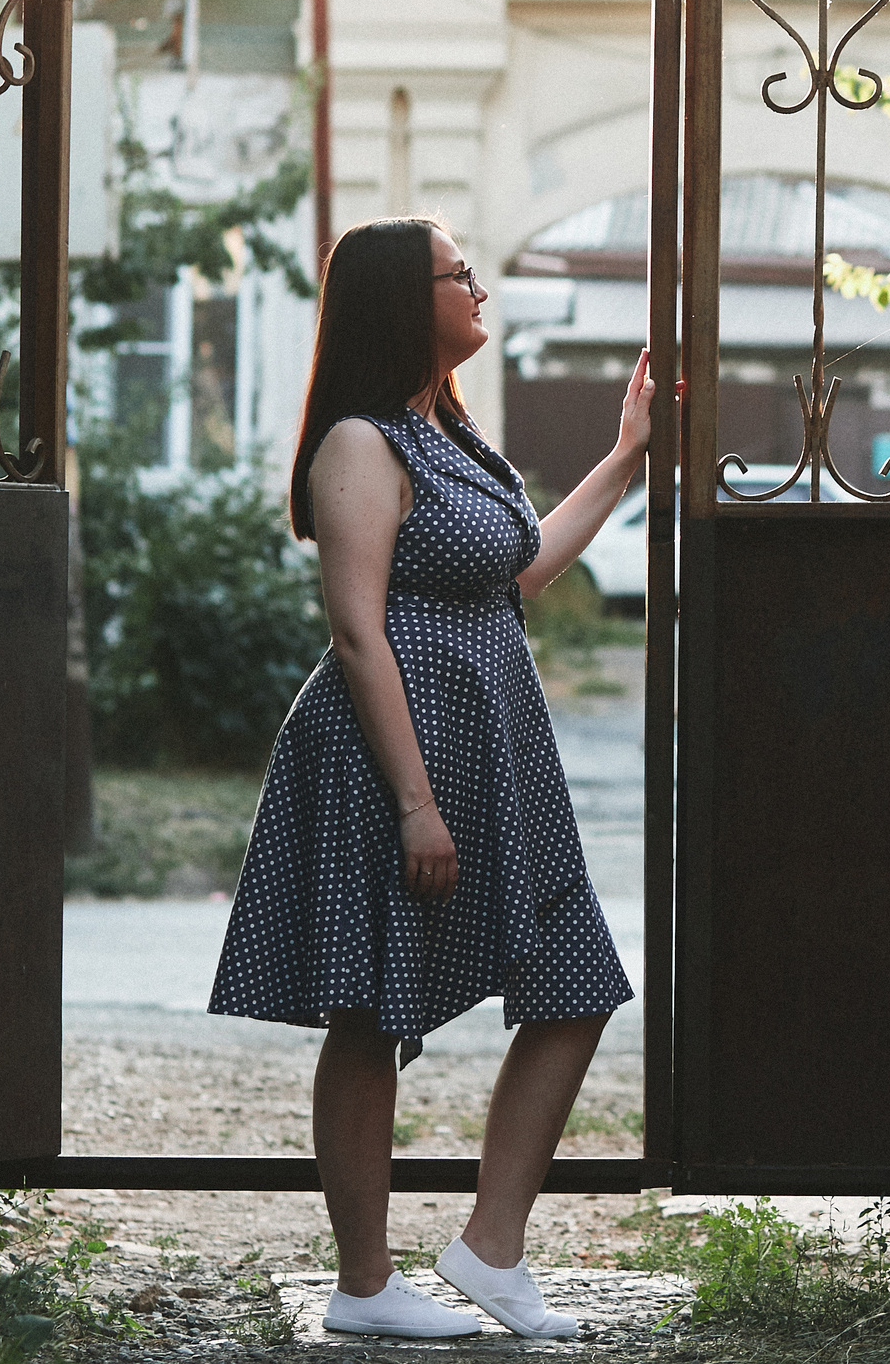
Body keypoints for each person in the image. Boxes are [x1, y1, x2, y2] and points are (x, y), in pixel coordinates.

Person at [208, 217, 657, 1340]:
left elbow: (526, 566)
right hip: (388, 758)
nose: (480, 290)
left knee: (575, 978)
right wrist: (415, 802)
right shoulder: (361, 443)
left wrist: (626, 454)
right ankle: (364, 1289)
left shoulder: (447, 435)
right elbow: (360, 633)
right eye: (461, 275)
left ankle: (488, 1249)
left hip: (492, 747)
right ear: (408, 302)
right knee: (370, 1012)